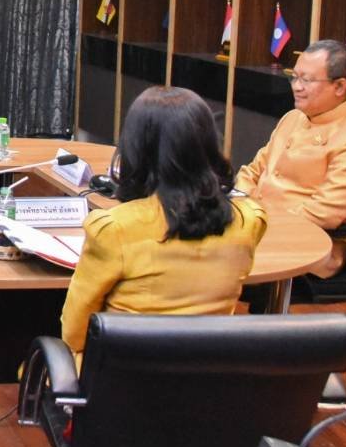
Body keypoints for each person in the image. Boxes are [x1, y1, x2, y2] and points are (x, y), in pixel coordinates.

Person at [61, 86, 268, 360]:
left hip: (123, 377)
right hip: (210, 374)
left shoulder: (113, 228)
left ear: (135, 148)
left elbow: (74, 334)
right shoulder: (249, 220)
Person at [235, 39, 346, 279]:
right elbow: (251, 172)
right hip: (257, 225)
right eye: (294, 77)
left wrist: (260, 222)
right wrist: (242, 207)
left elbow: (323, 212)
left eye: (307, 80)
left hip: (306, 244)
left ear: (339, 86)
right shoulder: (293, 118)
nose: (297, 87)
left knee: (216, 263)